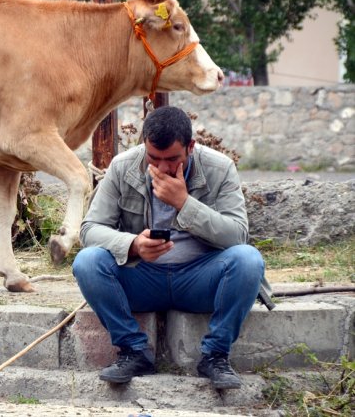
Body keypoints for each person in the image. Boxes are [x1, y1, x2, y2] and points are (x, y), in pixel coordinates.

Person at [72, 106, 272, 390]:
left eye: (172, 159)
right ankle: (133, 351)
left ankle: (215, 356)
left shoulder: (219, 167)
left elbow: (237, 235)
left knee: (248, 259)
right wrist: (133, 245)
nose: (163, 167)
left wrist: (184, 203)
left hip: (200, 280)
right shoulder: (122, 166)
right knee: (87, 262)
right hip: (143, 278)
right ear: (144, 146)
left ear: (191, 147)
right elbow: (89, 229)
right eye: (154, 158)